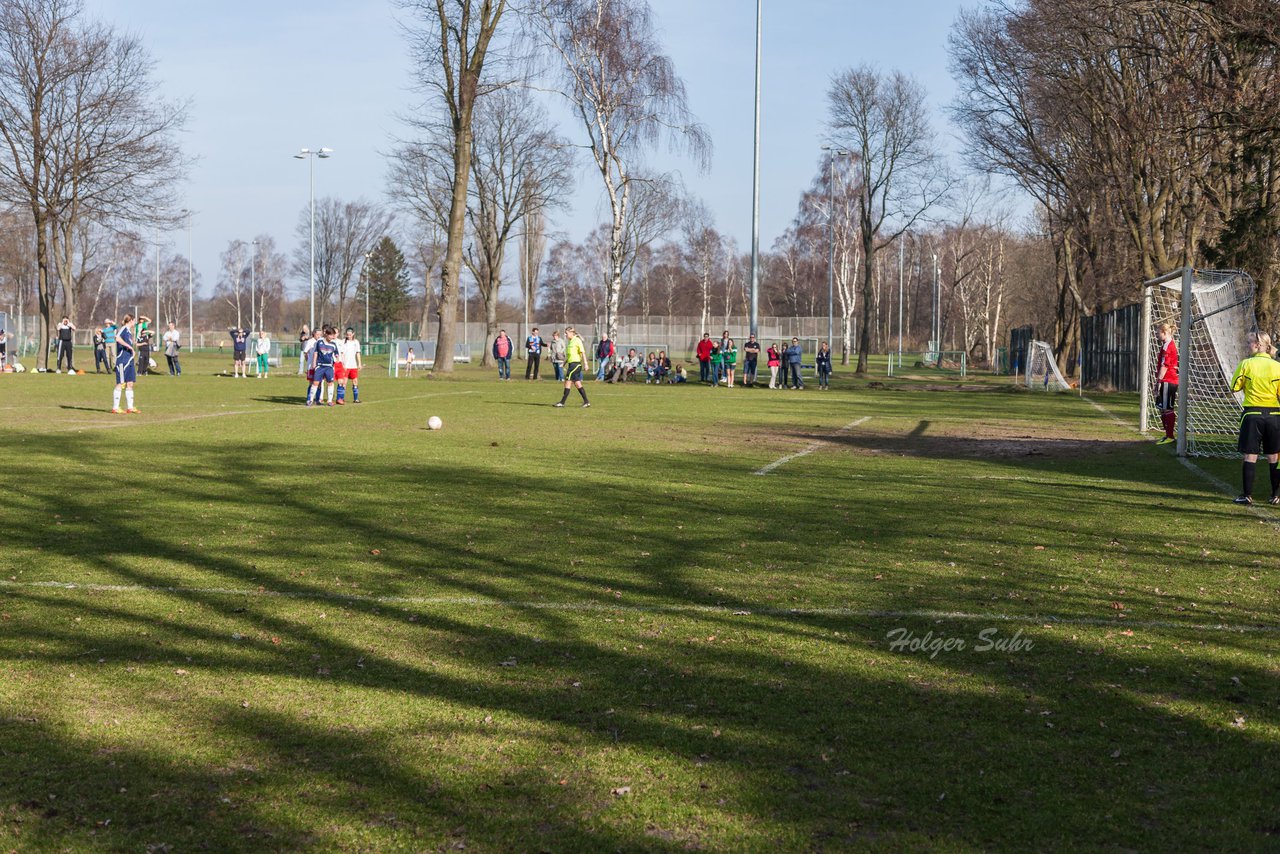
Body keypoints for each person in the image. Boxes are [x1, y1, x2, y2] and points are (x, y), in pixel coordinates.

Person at [1230, 331, 1280, 505]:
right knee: (1274, 456)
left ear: (1258, 345)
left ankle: (1247, 495)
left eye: (1250, 342)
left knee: (1250, 455)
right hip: (1274, 415)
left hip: (1252, 414)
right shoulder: (1277, 366)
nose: (1247, 345)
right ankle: (1276, 495)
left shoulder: (1246, 363)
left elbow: (1234, 386)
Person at [1154, 322, 1178, 446]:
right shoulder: (1165, 345)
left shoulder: (1168, 346)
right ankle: (1167, 434)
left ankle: (1170, 436)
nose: (1157, 336)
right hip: (1165, 380)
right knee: (1162, 408)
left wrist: (1158, 382)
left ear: (1164, 332)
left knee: (1167, 408)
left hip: (1169, 380)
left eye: (1158, 333)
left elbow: (1165, 366)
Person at [555, 326, 590, 408]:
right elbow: (569, 355)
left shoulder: (577, 340)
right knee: (577, 383)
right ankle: (586, 402)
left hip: (575, 364)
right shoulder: (570, 342)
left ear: (571, 333)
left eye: (566, 333)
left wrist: (586, 363)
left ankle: (562, 402)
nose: (565, 335)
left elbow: (582, 352)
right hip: (571, 364)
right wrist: (564, 363)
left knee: (568, 381)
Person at [111, 313, 140, 414]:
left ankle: (130, 407)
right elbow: (117, 338)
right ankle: (115, 408)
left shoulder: (129, 332)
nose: (135, 322)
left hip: (129, 360)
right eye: (134, 320)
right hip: (122, 360)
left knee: (130, 383)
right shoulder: (123, 329)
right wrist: (130, 347)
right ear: (130, 320)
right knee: (120, 383)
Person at [307, 326, 340, 407]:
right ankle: (310, 400)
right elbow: (315, 353)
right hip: (320, 366)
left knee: (330, 383)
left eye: (333, 335)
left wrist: (337, 358)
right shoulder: (320, 342)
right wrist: (314, 363)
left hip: (329, 367)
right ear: (326, 334)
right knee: (315, 383)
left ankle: (329, 401)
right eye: (331, 335)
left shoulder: (333, 344)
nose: (333, 337)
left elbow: (336, 354)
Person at [335, 327, 361, 403]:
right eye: (347, 334)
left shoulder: (356, 342)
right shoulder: (343, 342)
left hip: (353, 366)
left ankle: (356, 399)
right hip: (345, 366)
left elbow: (358, 353)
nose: (348, 336)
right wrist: (343, 364)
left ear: (353, 334)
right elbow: (341, 353)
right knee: (344, 382)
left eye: (350, 334)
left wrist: (359, 363)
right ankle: (341, 398)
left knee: (355, 381)